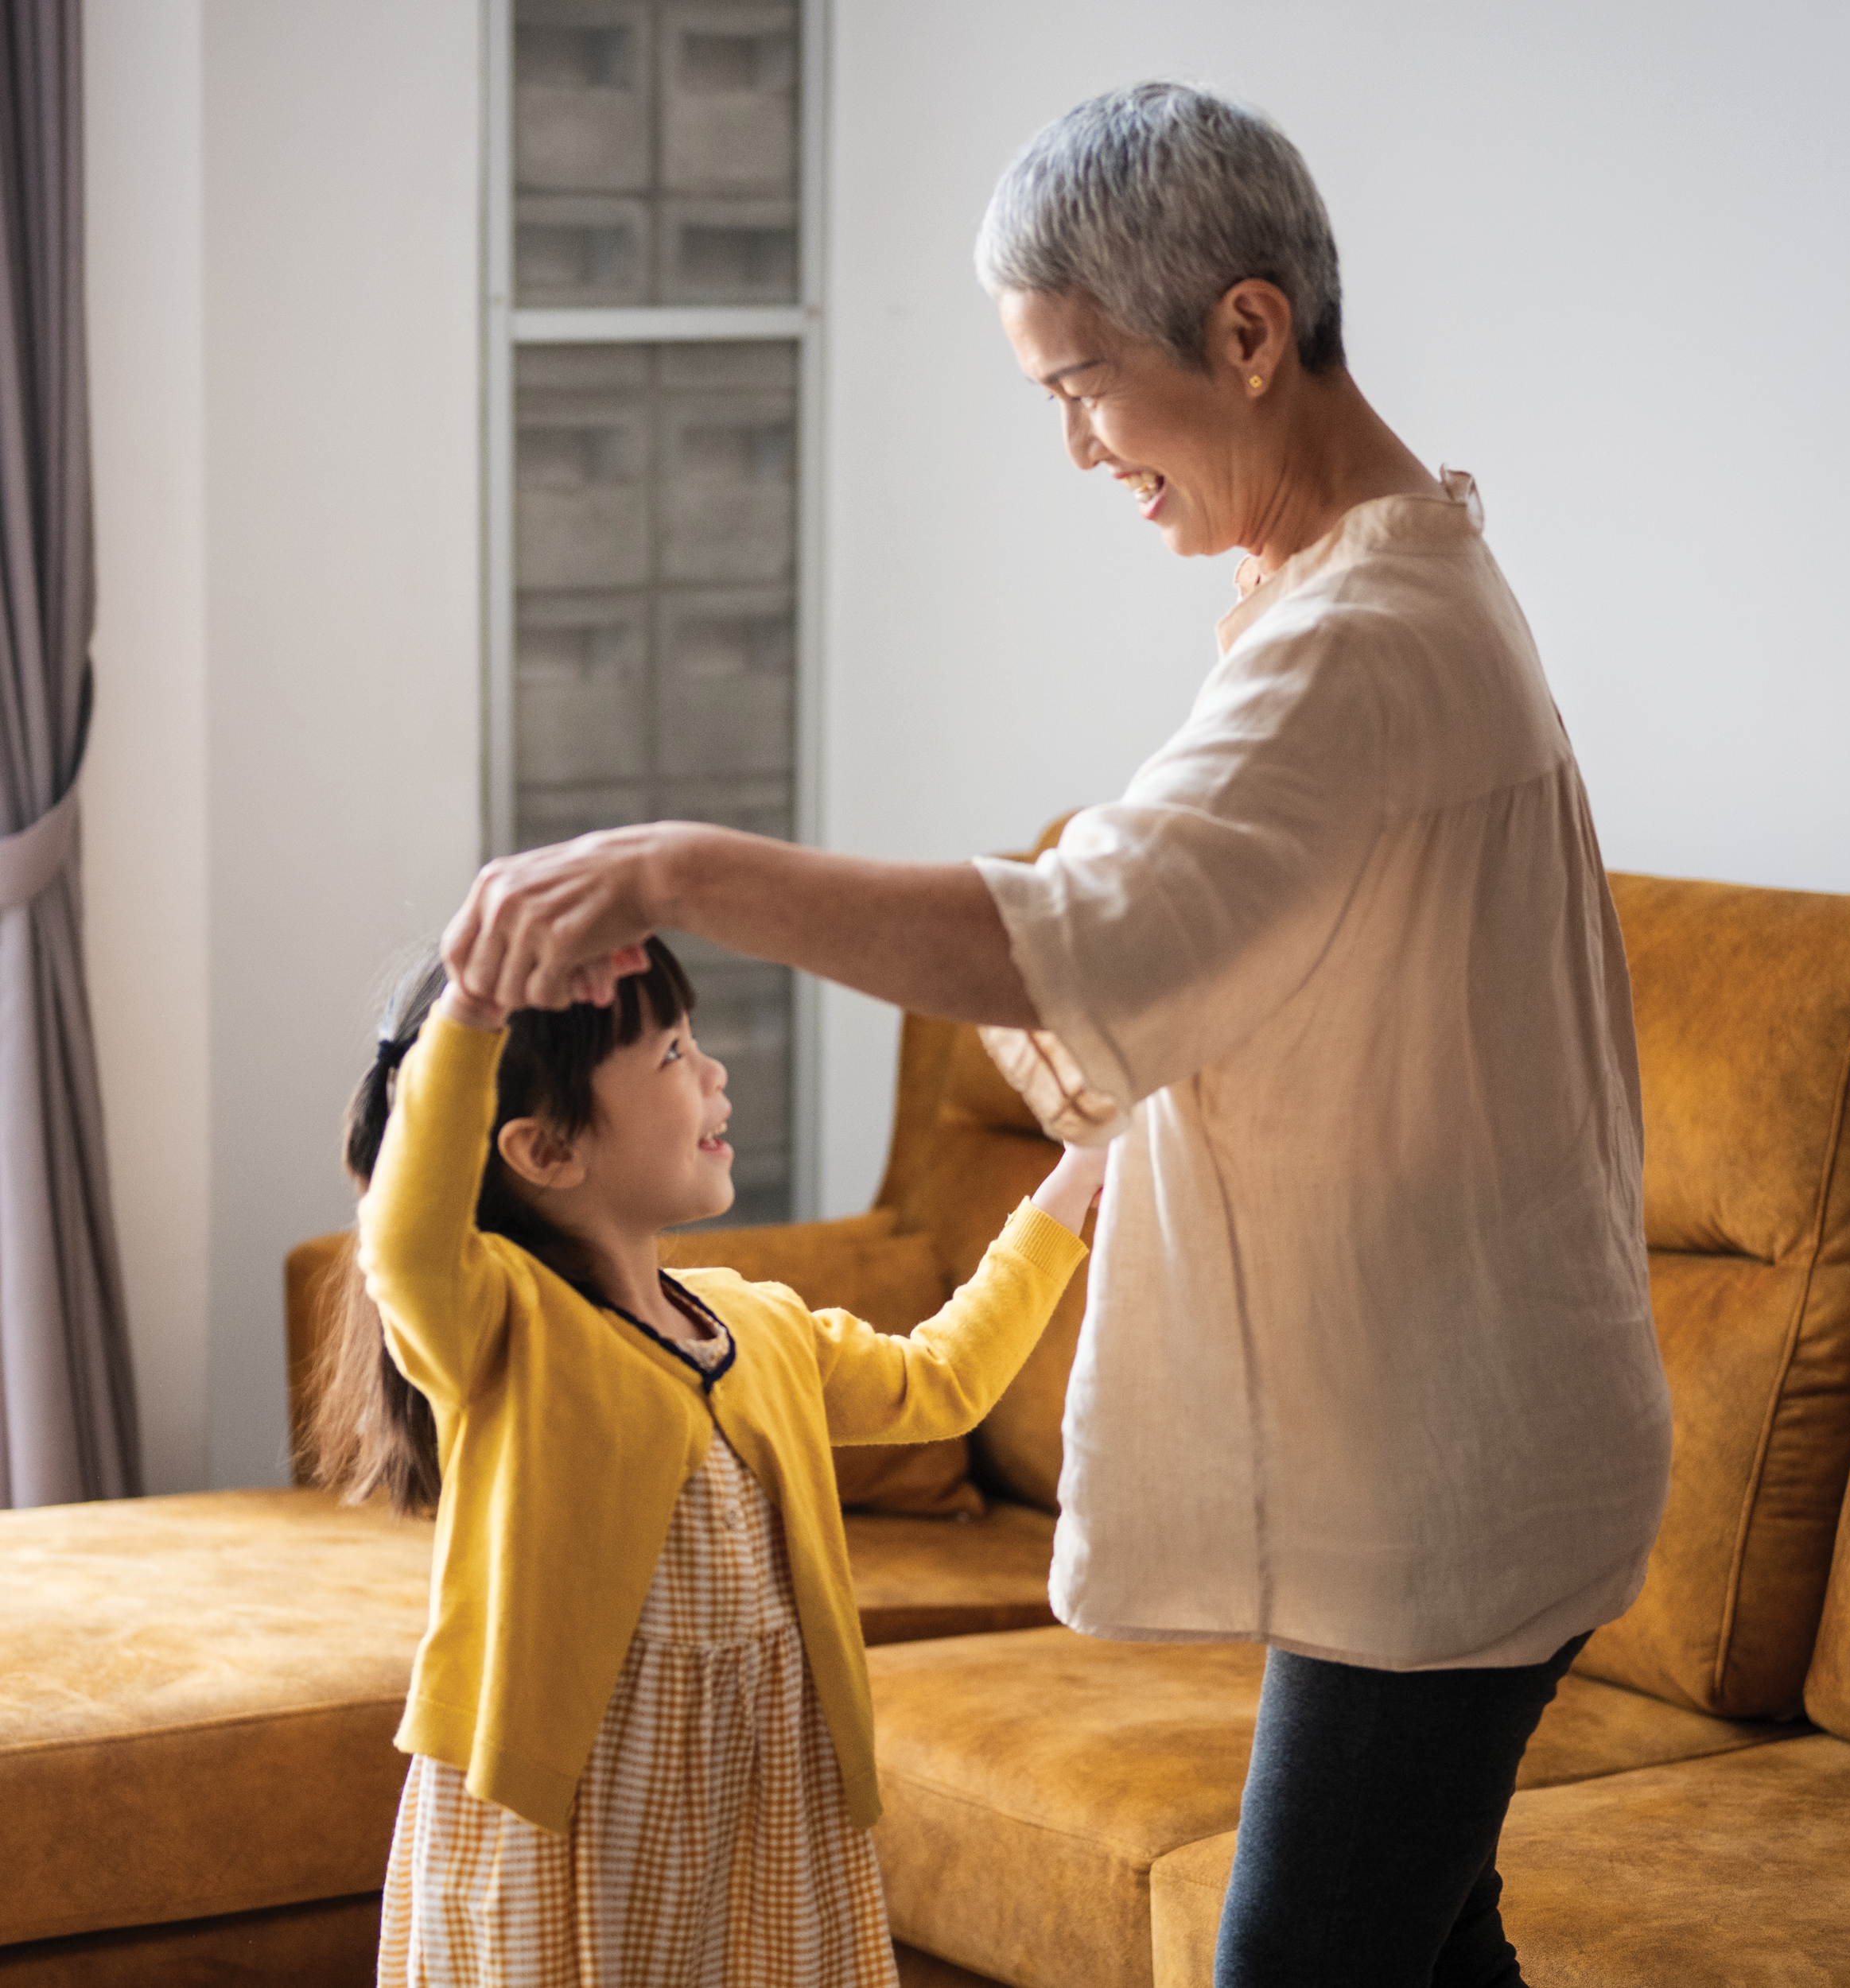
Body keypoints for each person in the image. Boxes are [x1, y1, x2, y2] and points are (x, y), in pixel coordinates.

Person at [438, 82, 1673, 1987]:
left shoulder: (1360, 635)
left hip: (1451, 1482)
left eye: (1081, 385)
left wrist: (677, 859)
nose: (1082, 445)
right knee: (1428, 1945)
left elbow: (1087, 933)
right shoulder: (1347, 582)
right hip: (1453, 1443)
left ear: (1246, 335)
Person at [308, 928, 1102, 1986]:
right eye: (674, 1055)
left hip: (768, 1800)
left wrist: (1077, 1180)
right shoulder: (505, 1331)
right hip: (572, 1816)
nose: (715, 1070)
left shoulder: (758, 1325)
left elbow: (941, 1381)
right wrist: (473, 1009)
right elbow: (403, 1236)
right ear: (547, 1151)